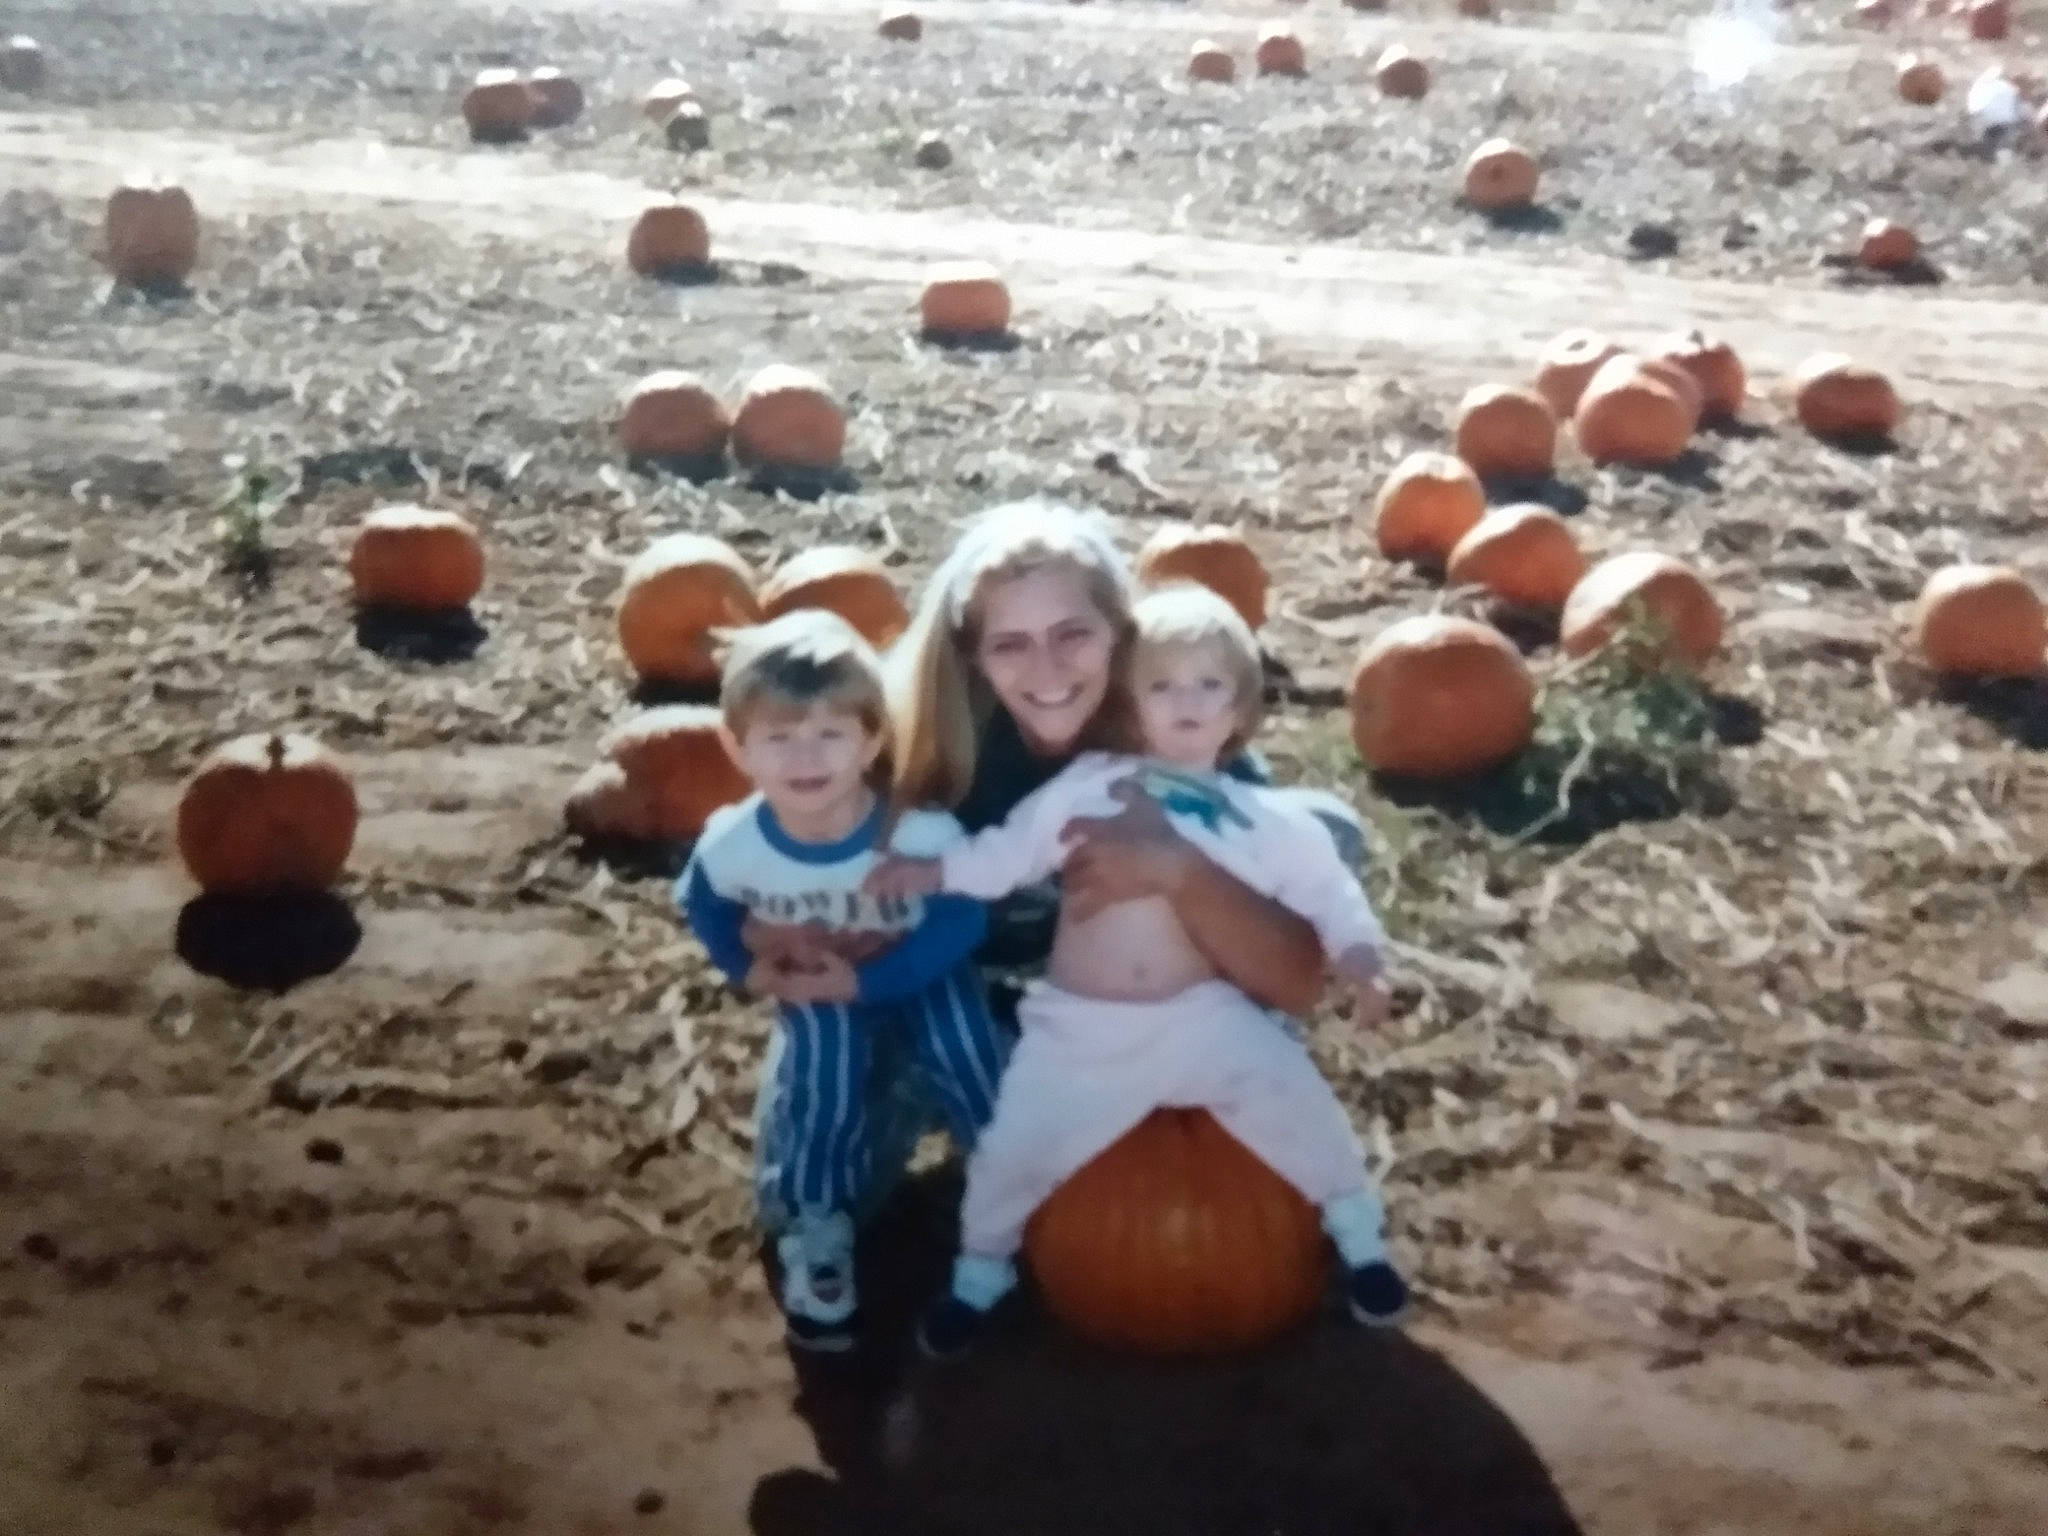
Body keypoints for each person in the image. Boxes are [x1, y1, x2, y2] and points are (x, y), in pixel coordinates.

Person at [732, 499, 1370, 1265]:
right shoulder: (908, 757)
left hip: (1114, 1013)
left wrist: (1180, 867)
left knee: (1320, 830)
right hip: (949, 1008)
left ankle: (1198, 1079)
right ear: (972, 655)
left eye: (1073, 634)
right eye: (1011, 645)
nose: (1047, 671)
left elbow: (1295, 982)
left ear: (1120, 632)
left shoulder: (1178, 741)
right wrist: (810, 924)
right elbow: (774, 865)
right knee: (797, 1203)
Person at [869, 584, 1407, 1356]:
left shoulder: (1263, 818)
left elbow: (1330, 893)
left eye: (1208, 685)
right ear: (1128, 702)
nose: (1186, 702)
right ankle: (980, 1276)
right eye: (1162, 686)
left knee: (1296, 1100)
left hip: (1206, 1017)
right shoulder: (1087, 787)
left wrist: (1362, 961)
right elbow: (1007, 855)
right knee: (1010, 1152)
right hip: (1081, 1030)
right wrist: (931, 874)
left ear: (1240, 707)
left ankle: (1359, 1239)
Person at [676, 610, 1010, 1354]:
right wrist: (748, 966)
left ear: (871, 740)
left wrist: (877, 981)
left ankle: (1006, 1189)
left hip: (916, 972)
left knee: (965, 1043)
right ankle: (818, 1223)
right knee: (820, 1072)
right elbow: (702, 904)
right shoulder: (734, 844)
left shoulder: (912, 830)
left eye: (830, 734)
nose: (806, 757)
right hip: (814, 984)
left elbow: (962, 922)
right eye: (779, 737)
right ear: (737, 745)